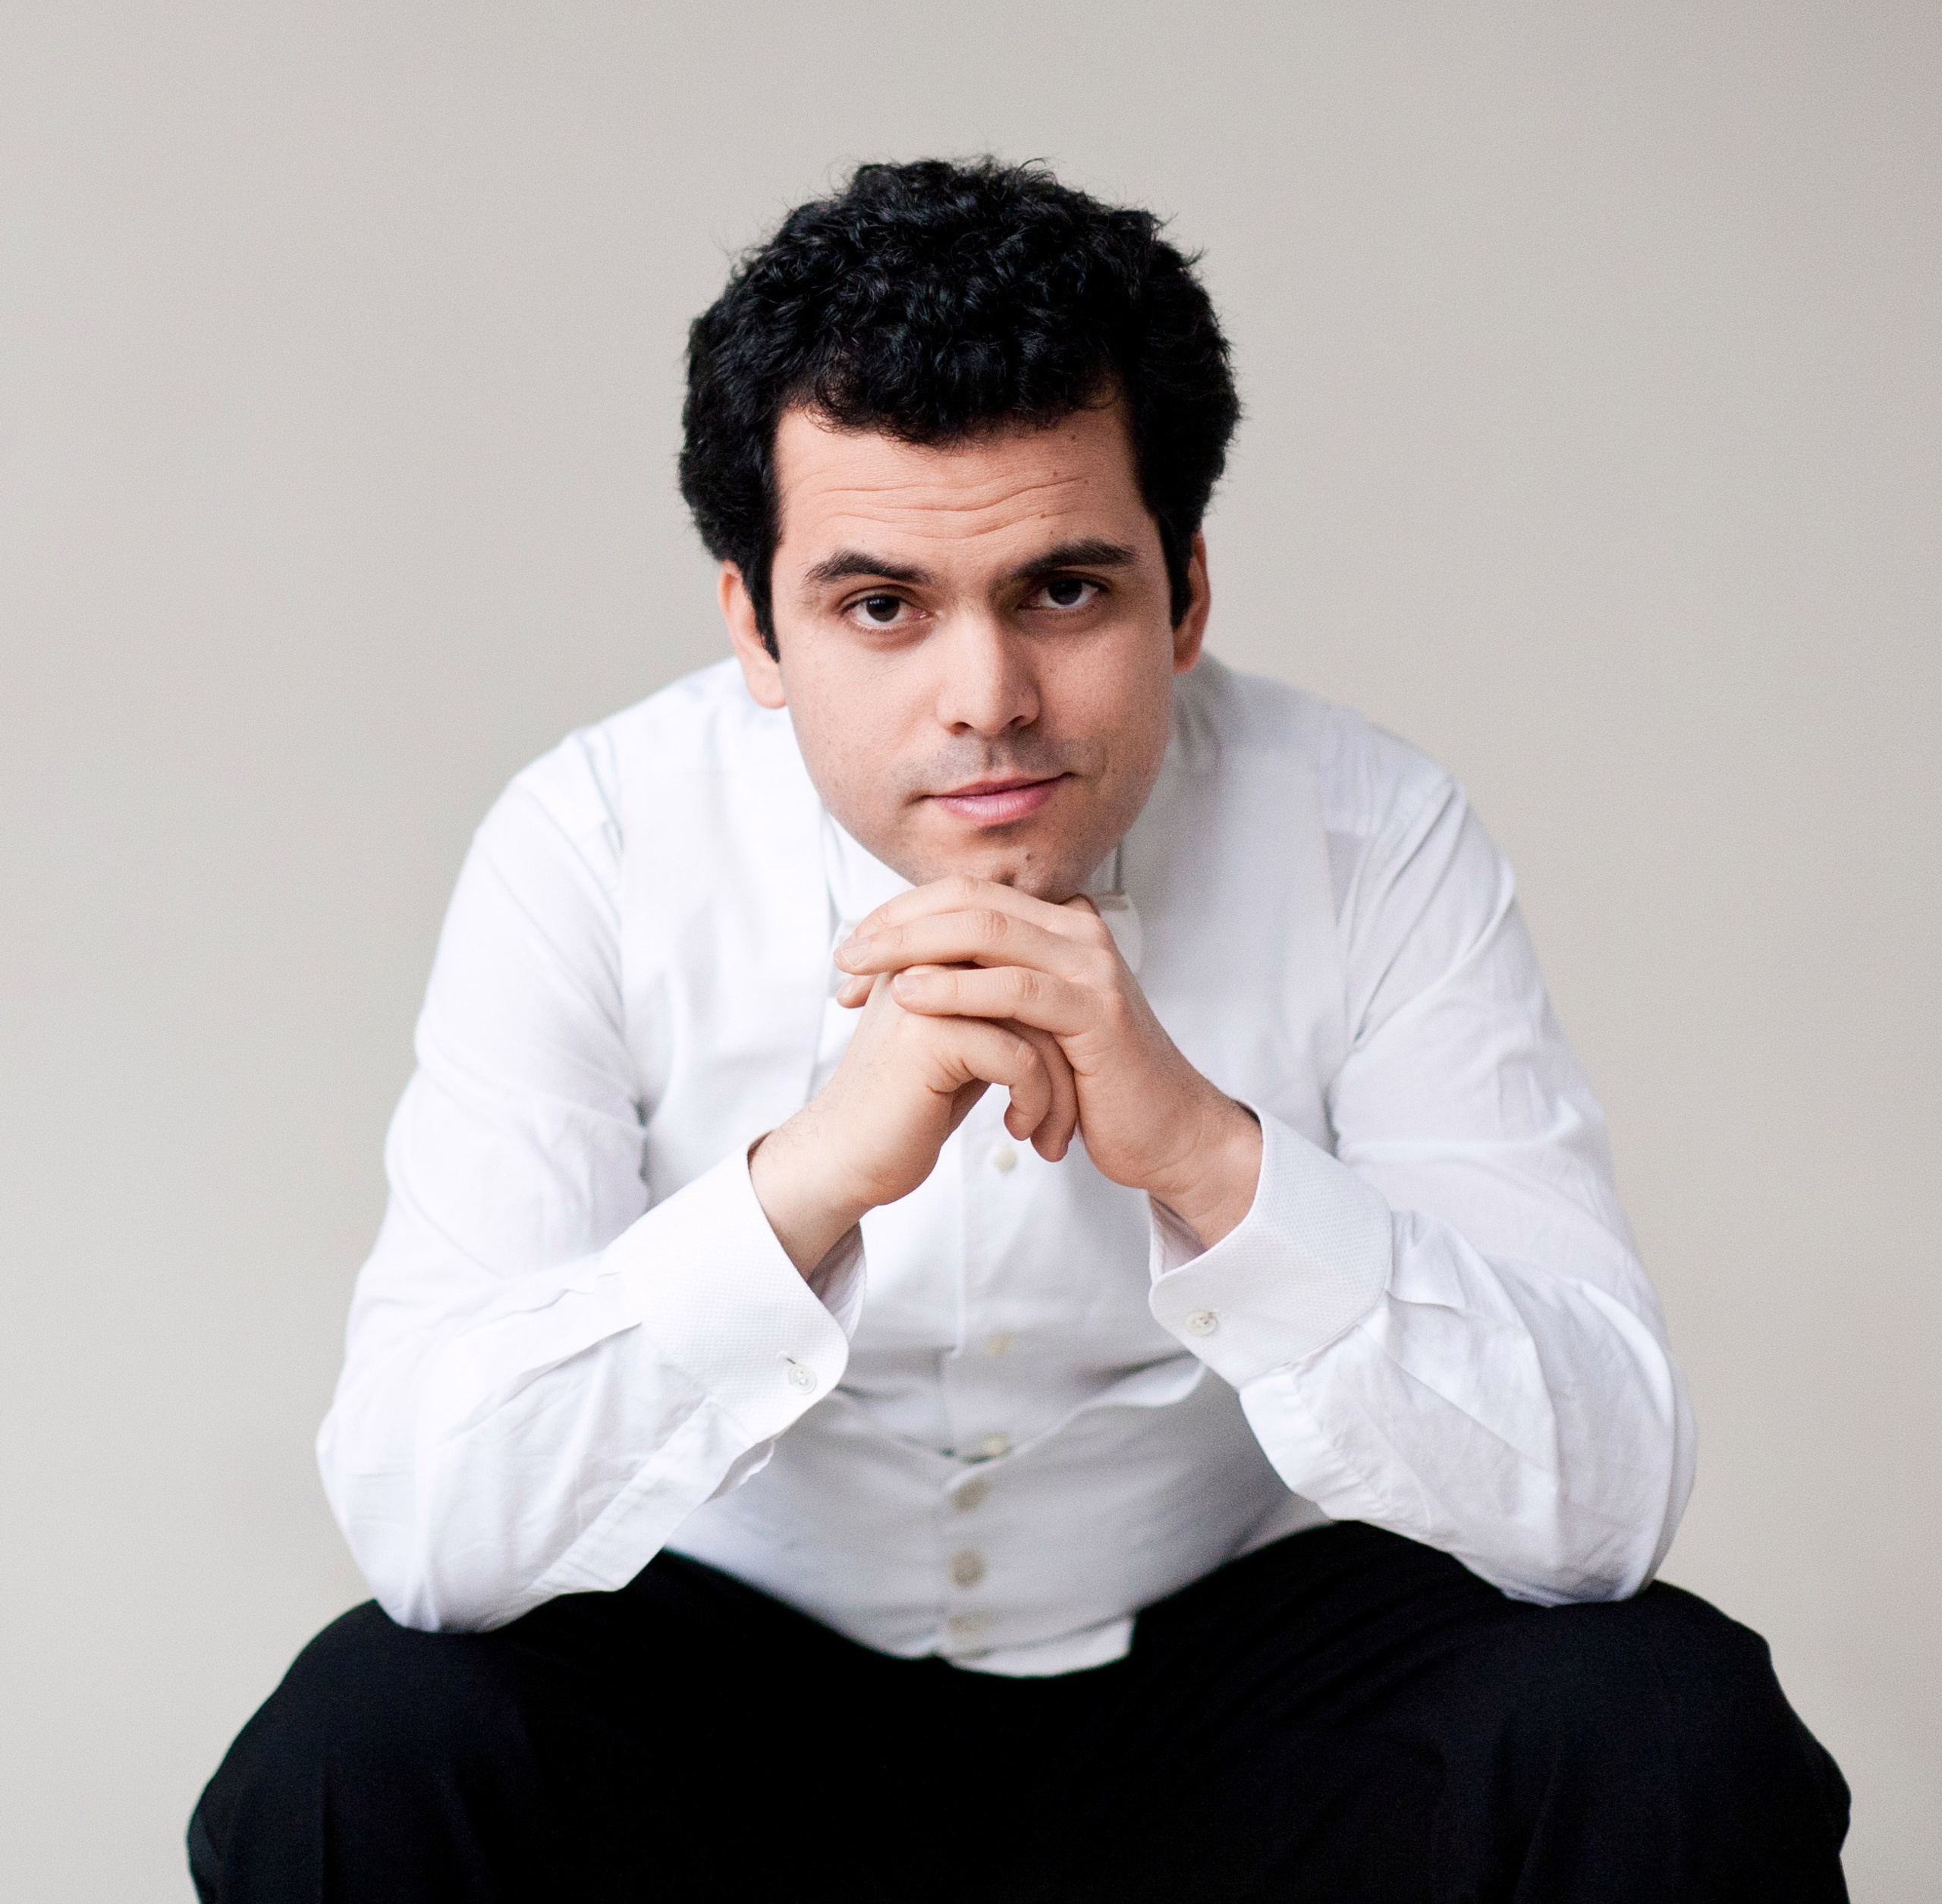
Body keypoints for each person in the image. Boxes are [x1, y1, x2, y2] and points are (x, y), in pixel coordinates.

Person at [190, 158, 1849, 1902]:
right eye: (879, 605)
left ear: (1184, 591)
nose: (983, 698)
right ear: (754, 623)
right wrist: (804, 1183)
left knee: (1661, 1726)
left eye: (1061, 589)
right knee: (355, 1753)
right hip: (724, 1712)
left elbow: (1600, 1498)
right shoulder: (592, 840)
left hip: (1235, 1711)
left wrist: (1208, 1157)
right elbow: (429, 1525)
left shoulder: (1367, 834)